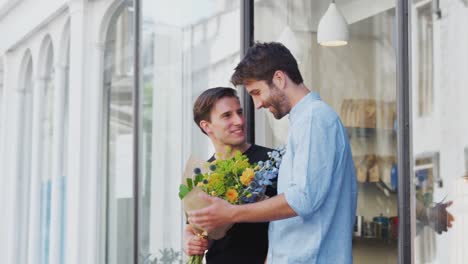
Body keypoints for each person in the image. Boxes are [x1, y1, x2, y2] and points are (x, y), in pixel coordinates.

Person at [188, 42, 358, 264]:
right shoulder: (304, 123)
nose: (257, 105)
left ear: (279, 78)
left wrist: (231, 212)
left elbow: (302, 200)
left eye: (257, 92)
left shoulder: (315, 120)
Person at [184, 87, 277, 264]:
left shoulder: (271, 162)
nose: (239, 120)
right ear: (206, 126)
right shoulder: (201, 174)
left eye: (239, 112)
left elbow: (289, 221)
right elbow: (193, 227)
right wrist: (189, 241)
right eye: (227, 115)